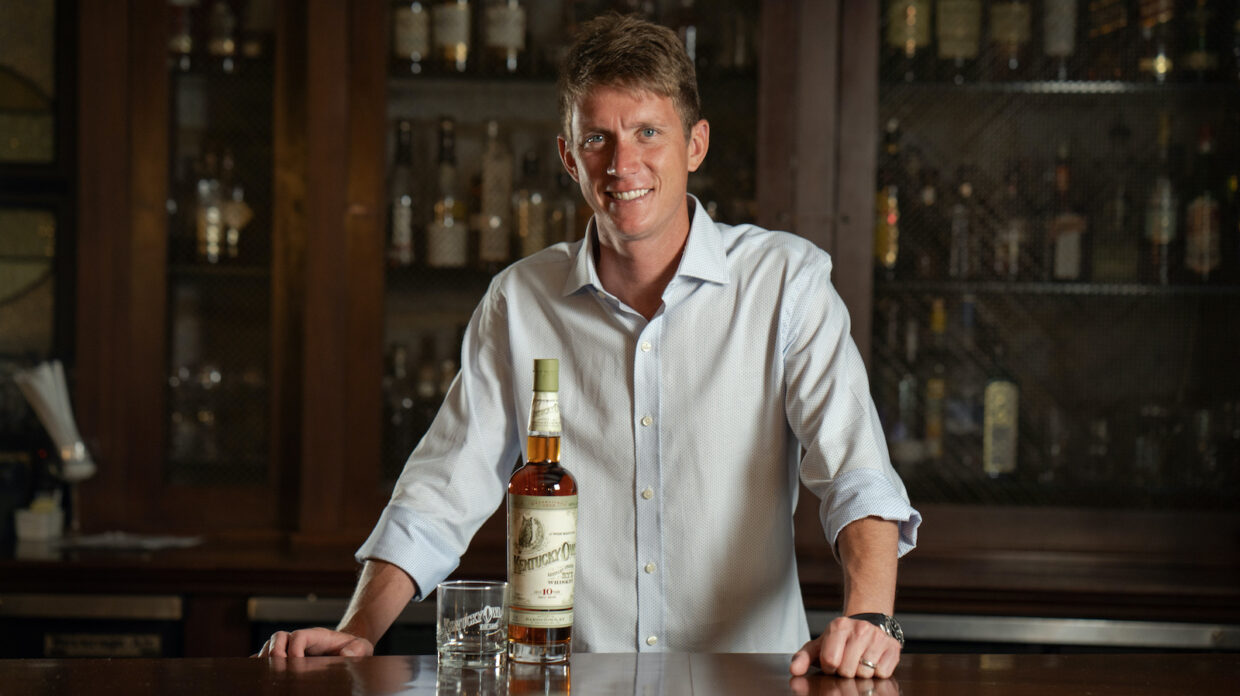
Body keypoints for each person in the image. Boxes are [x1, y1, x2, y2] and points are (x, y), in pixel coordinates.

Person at [257, 13, 920, 680]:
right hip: (565, 684)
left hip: (747, 683)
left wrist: (869, 618)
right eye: (597, 139)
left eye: (648, 133)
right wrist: (358, 630)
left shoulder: (786, 285)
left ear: (696, 144)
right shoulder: (519, 302)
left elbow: (854, 473)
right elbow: (443, 488)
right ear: (569, 158)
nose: (622, 164)